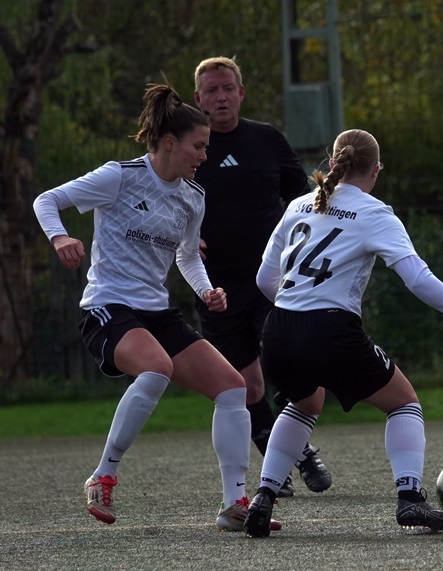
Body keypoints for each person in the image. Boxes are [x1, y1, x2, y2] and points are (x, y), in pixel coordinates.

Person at [33, 83, 280, 532]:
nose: (204, 155)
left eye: (206, 147)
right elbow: (46, 200)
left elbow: (187, 256)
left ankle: (234, 504)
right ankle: (103, 475)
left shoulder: (192, 196)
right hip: (108, 307)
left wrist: (207, 290)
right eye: (198, 146)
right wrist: (60, 236)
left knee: (233, 387)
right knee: (156, 367)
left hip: (156, 313)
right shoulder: (120, 176)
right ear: (169, 142)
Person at [242, 129, 443, 537]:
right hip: (329, 329)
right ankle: (410, 500)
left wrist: (297, 309)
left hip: (278, 329)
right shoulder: (375, 213)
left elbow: (264, 279)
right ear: (376, 170)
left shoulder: (300, 204)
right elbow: (417, 277)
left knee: (304, 404)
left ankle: (263, 498)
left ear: (333, 162)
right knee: (404, 403)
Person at [192, 56, 331, 497]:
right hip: (216, 286)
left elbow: (305, 198)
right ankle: (287, 462)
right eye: (211, 90)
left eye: (227, 88)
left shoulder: (266, 139)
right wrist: (182, 236)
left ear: (241, 93)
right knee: (246, 385)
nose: (220, 97)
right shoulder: (189, 146)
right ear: (198, 98)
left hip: (274, 278)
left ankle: (294, 452)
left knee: (290, 363)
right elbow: (162, 197)